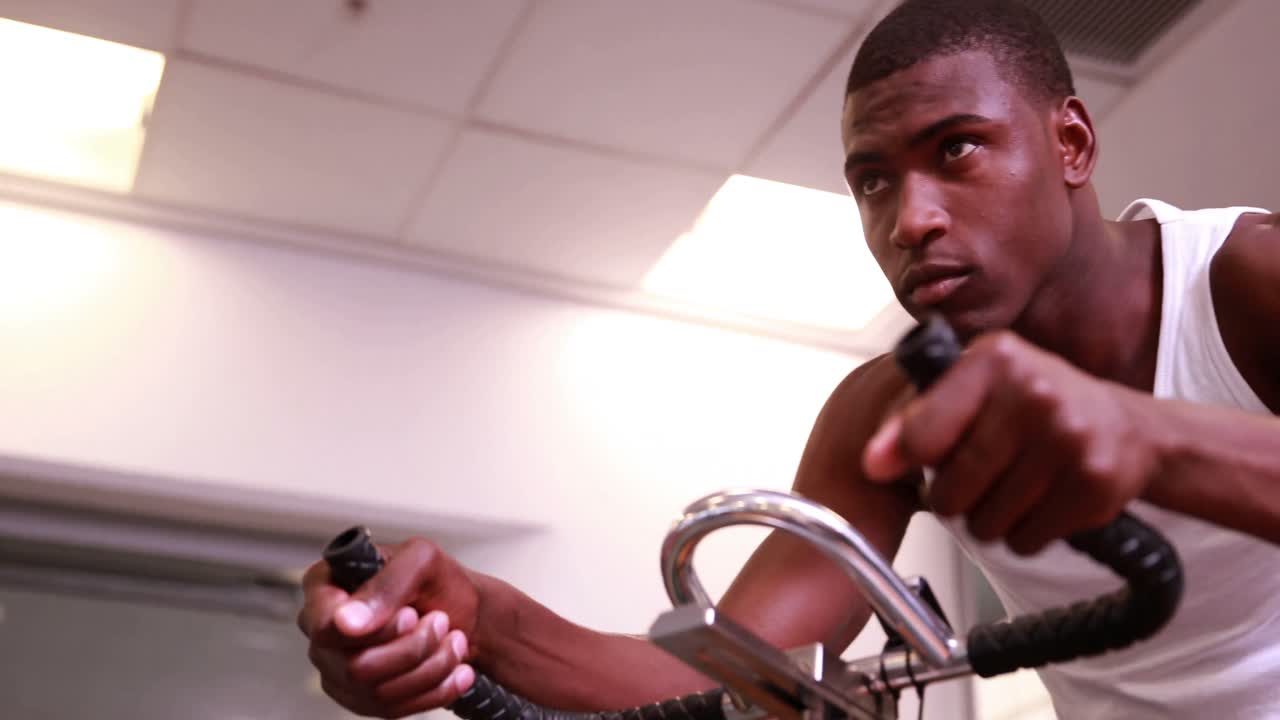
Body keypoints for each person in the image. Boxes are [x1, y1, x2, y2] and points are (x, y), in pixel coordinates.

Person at [296, 1, 1280, 717]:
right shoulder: (889, 412)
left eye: (956, 150)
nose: (911, 219)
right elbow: (728, 673)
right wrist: (484, 623)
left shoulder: (1245, 278)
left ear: (1069, 142)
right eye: (872, 181)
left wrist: (1149, 437)